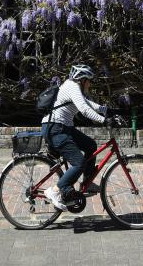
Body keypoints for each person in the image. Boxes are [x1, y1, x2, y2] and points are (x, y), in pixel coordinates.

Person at [41, 64, 112, 211]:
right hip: (56, 129)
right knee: (79, 163)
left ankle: (87, 181)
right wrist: (103, 120)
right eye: (89, 80)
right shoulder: (72, 86)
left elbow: (88, 103)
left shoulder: (73, 87)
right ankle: (54, 191)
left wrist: (106, 110)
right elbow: (84, 109)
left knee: (91, 146)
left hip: (64, 128)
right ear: (82, 79)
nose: (90, 84)